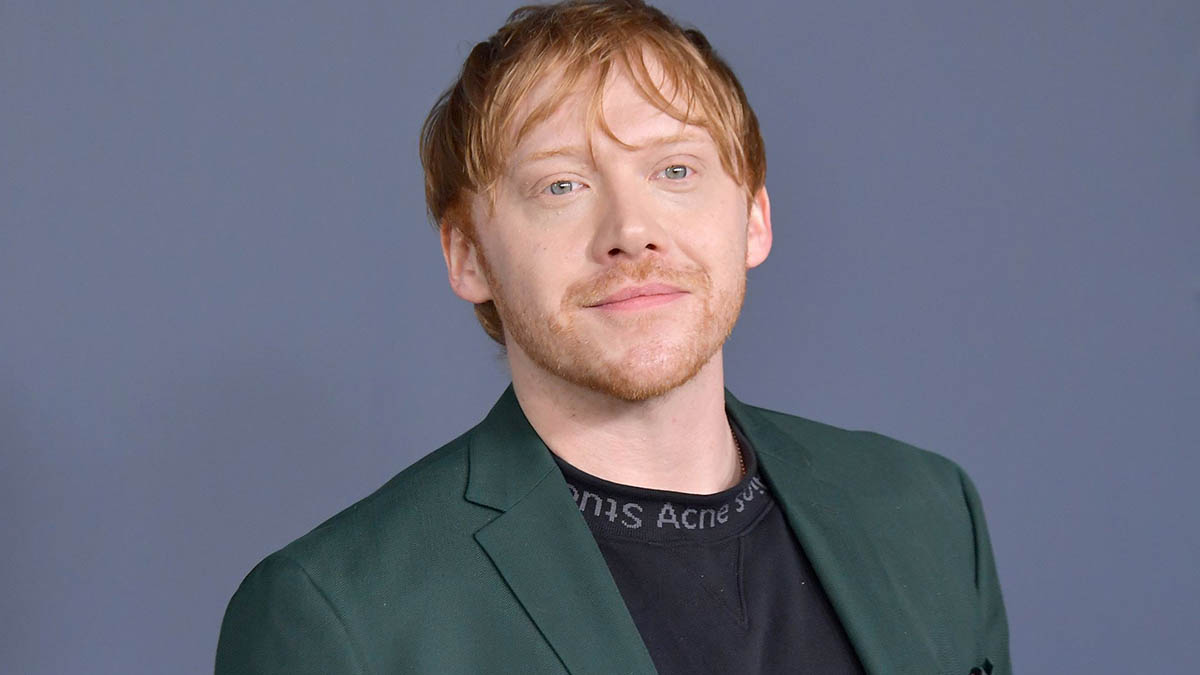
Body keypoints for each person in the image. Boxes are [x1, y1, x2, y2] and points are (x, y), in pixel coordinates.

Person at [215, 1, 1010, 673]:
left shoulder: (930, 512)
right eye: (561, 185)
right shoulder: (337, 615)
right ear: (468, 256)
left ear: (755, 218)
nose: (631, 230)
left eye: (676, 171)